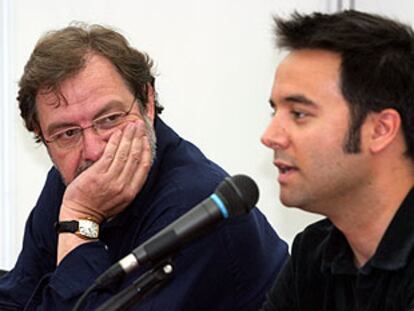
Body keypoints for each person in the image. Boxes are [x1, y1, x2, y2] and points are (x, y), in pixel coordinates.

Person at [0, 23, 288, 310]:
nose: (93, 151)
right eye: (68, 133)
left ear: (147, 102)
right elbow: (17, 299)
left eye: (110, 119)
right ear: (41, 134)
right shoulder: (73, 181)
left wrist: (80, 221)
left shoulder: (194, 204)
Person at [260, 10, 414, 311]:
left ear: (380, 130)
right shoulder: (315, 251)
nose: (270, 136)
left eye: (299, 114)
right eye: (274, 112)